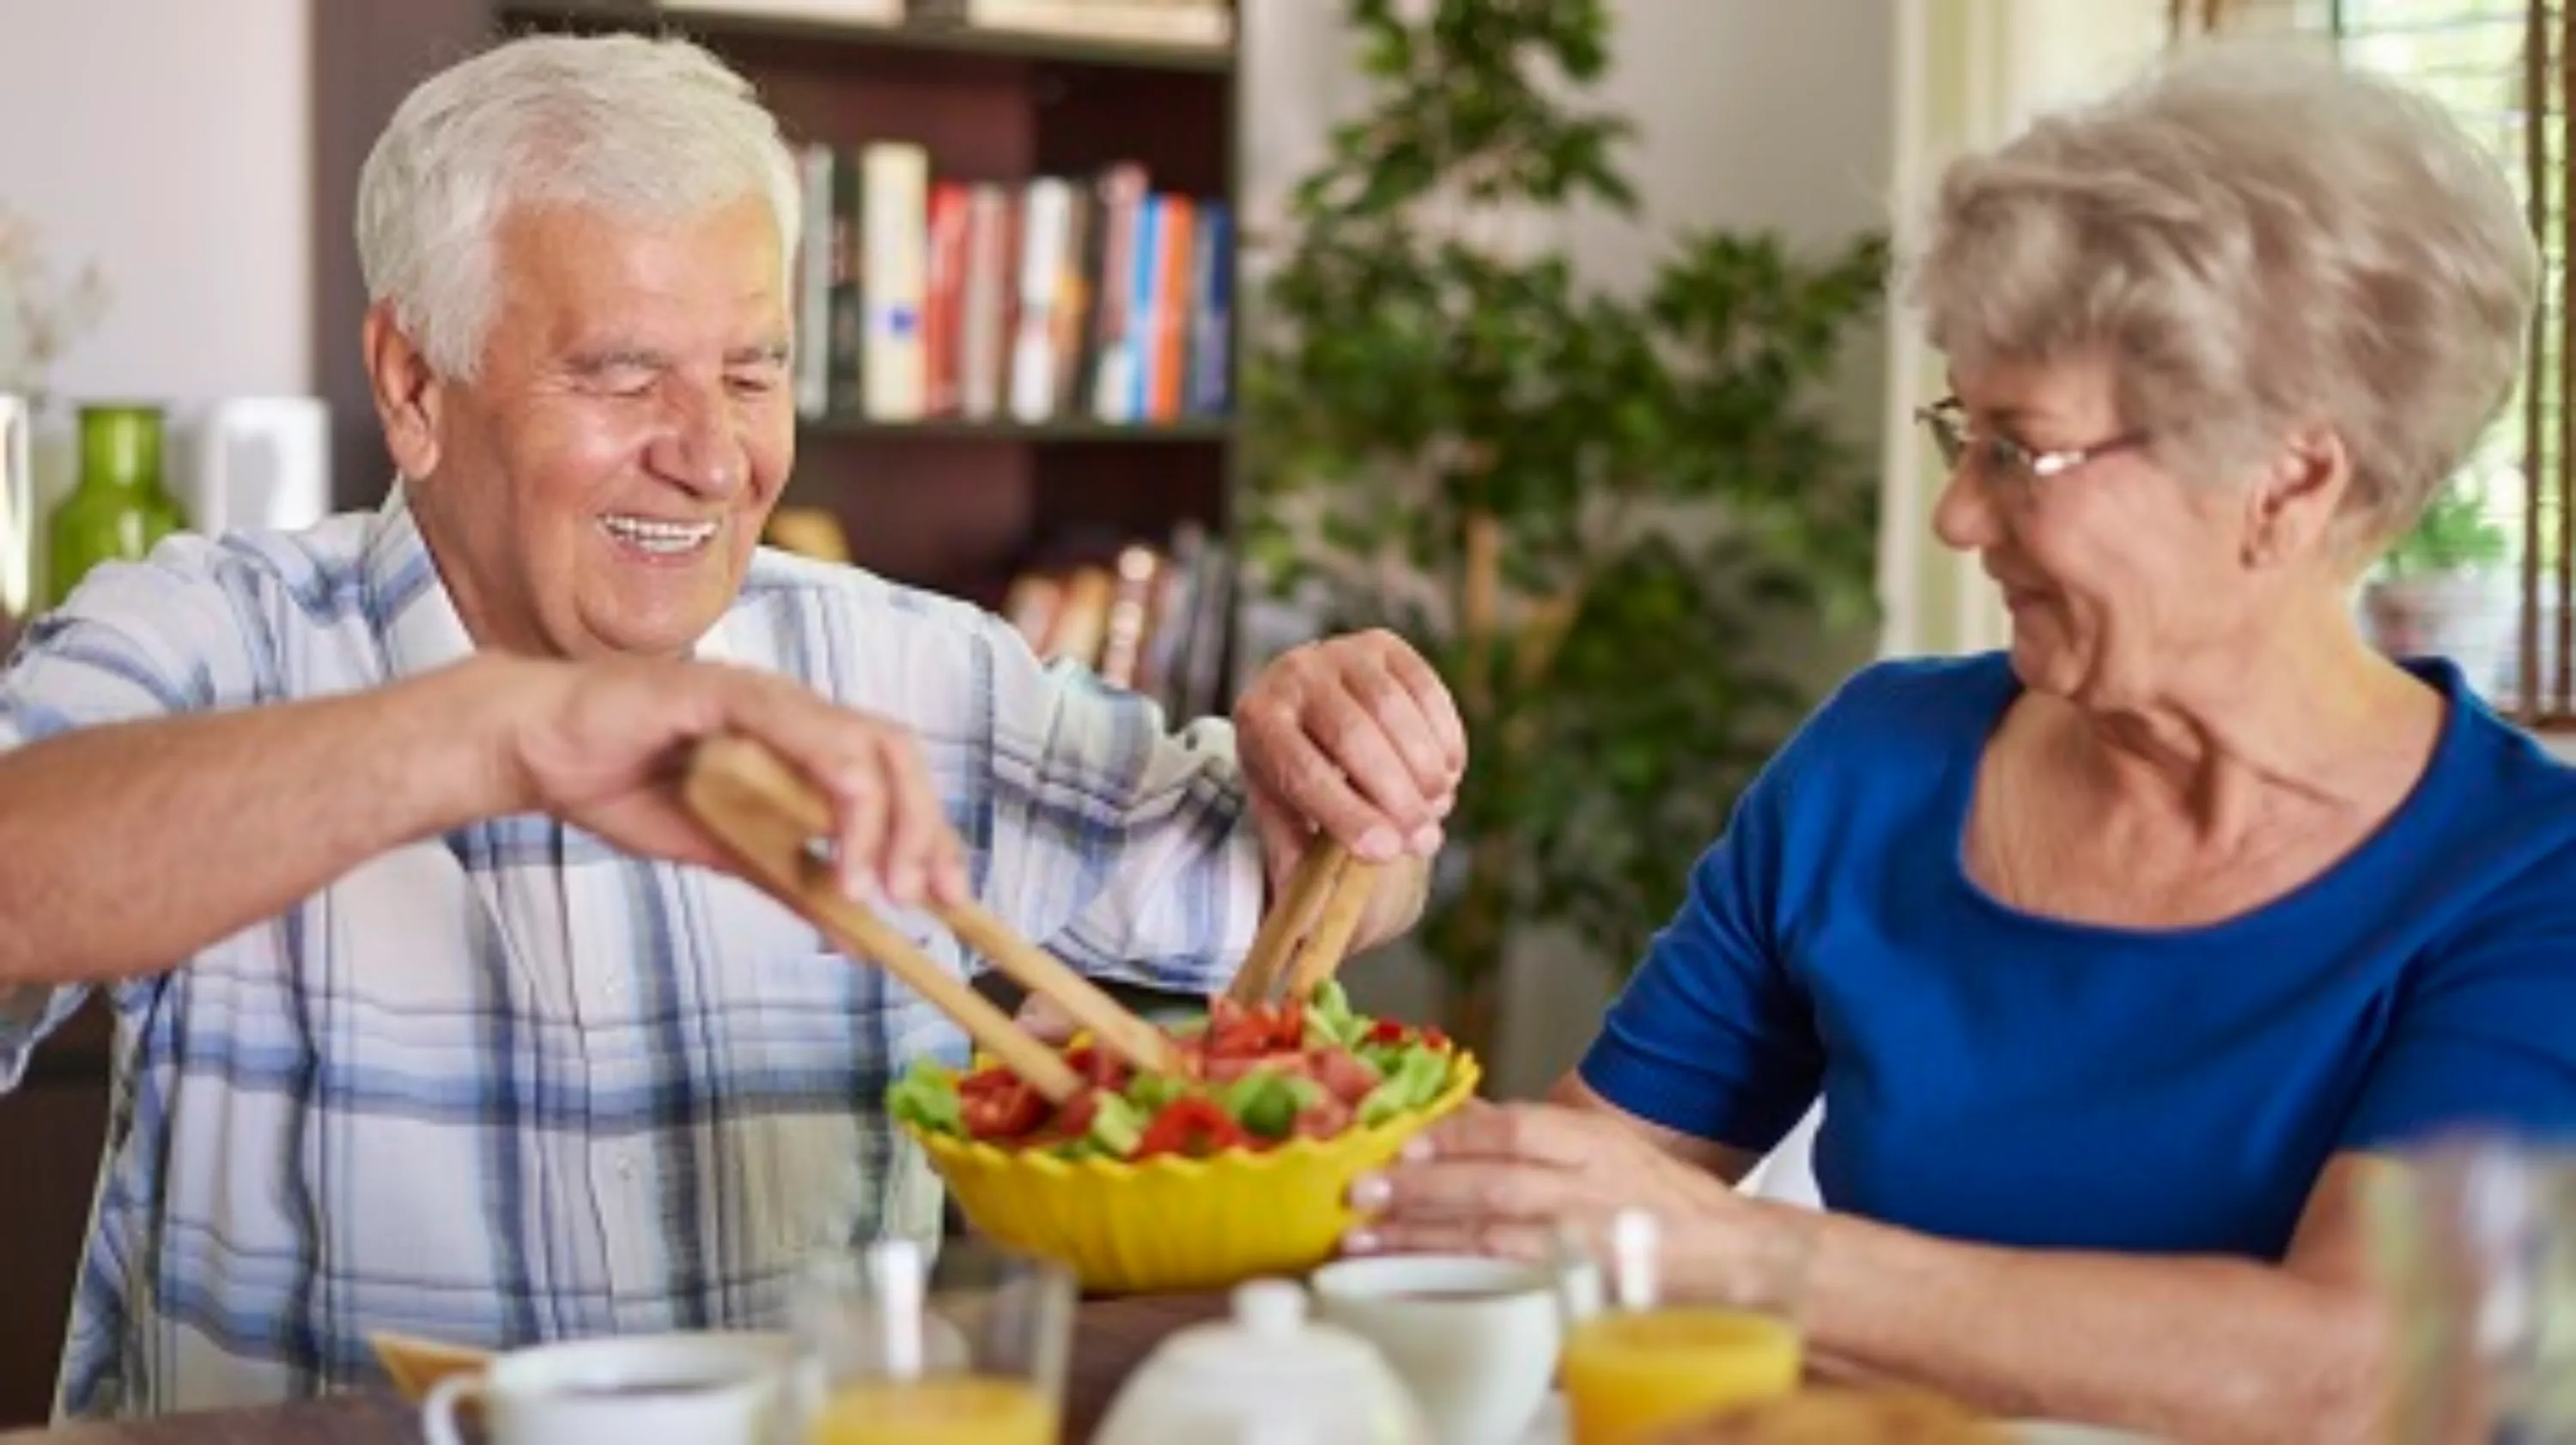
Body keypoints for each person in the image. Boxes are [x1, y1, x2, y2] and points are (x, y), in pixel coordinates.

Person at [0, 33, 1465, 1420]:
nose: (711, 455)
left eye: (753, 370)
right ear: (411, 385)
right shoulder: (211, 633)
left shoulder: (909, 669)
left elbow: (1320, 892)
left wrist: (1348, 774)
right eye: (621, 372)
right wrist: (497, 733)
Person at [1350, 41, 2576, 1445]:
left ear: (2287, 482)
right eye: (1961, 430)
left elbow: (2365, 1376)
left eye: (2020, 448)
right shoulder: (1876, 767)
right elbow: (1563, 1212)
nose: (1958, 517)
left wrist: (1752, 1255)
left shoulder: (2532, 876)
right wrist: (1266, 1081)